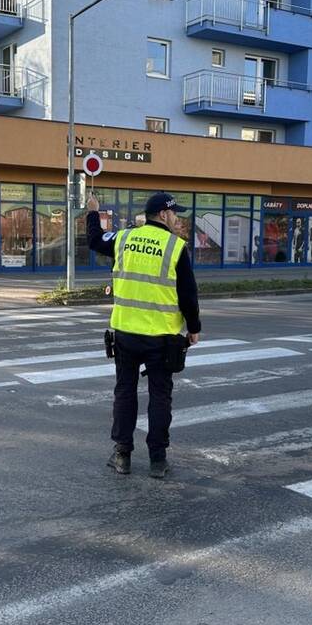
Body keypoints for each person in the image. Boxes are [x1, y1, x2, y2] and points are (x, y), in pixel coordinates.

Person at [87, 191, 202, 479]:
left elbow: (94, 240)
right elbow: (188, 294)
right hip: (162, 338)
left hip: (125, 333)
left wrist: (92, 212)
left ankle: (122, 455)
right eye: (175, 214)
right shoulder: (176, 247)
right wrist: (194, 327)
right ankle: (157, 461)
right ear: (163, 214)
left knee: (125, 393)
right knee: (160, 397)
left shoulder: (124, 239)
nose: (177, 219)